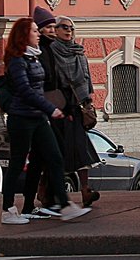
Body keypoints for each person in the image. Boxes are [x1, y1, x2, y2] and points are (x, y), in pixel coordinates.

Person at [0, 17, 88, 224]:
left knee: (56, 157)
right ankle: (8, 210)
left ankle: (64, 205)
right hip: (21, 119)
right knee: (18, 163)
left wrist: (53, 110)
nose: (39, 34)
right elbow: (26, 91)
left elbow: (40, 88)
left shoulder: (33, 57)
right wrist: (51, 109)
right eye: (35, 31)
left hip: (38, 118)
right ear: (24, 36)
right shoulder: (17, 60)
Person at [42, 15, 102, 208]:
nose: (69, 31)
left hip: (77, 108)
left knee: (81, 150)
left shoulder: (79, 52)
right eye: (64, 27)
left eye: (71, 28)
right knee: (59, 152)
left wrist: (88, 102)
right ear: (56, 30)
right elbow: (51, 80)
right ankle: (47, 191)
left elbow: (86, 79)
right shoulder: (51, 51)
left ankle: (85, 190)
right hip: (59, 108)